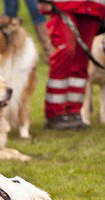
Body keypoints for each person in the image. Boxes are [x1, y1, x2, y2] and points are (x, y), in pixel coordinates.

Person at [38, 0, 105, 129]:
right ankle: (55, 113)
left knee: (82, 58)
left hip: (94, 7)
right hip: (63, 4)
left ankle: (73, 111)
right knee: (65, 51)